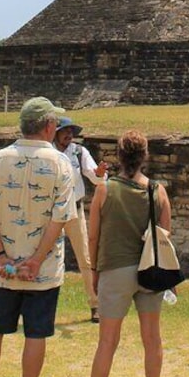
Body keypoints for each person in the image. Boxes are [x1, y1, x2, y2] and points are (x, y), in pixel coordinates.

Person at [0, 97, 76, 377]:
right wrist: (36, 260)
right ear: (49, 126)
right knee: (36, 334)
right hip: (41, 271)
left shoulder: (0, 159)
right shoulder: (60, 164)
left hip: (3, 268)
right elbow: (59, 220)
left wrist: (1, 254)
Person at [72, 130, 170, 377]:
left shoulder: (105, 190)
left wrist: (95, 271)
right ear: (144, 157)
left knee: (107, 341)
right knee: (152, 338)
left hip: (115, 268)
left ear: (119, 157)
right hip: (148, 269)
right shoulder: (157, 191)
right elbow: (165, 234)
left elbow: (93, 236)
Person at [54, 117, 108, 323]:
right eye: (64, 131)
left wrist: (100, 174)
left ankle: (96, 305)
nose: (68, 135)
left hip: (74, 210)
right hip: (51, 211)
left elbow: (95, 176)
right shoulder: (48, 151)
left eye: (71, 131)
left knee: (86, 258)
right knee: (49, 256)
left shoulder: (78, 152)